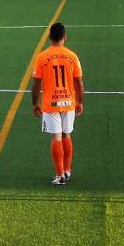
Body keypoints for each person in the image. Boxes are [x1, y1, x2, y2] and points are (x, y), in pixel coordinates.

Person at [31, 23, 84, 186]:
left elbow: (36, 84)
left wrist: (35, 103)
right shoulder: (72, 56)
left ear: (49, 38)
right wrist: (79, 101)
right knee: (67, 134)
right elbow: (79, 83)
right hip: (68, 102)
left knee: (56, 137)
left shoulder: (42, 57)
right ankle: (67, 171)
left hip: (50, 103)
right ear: (65, 37)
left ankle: (59, 175)